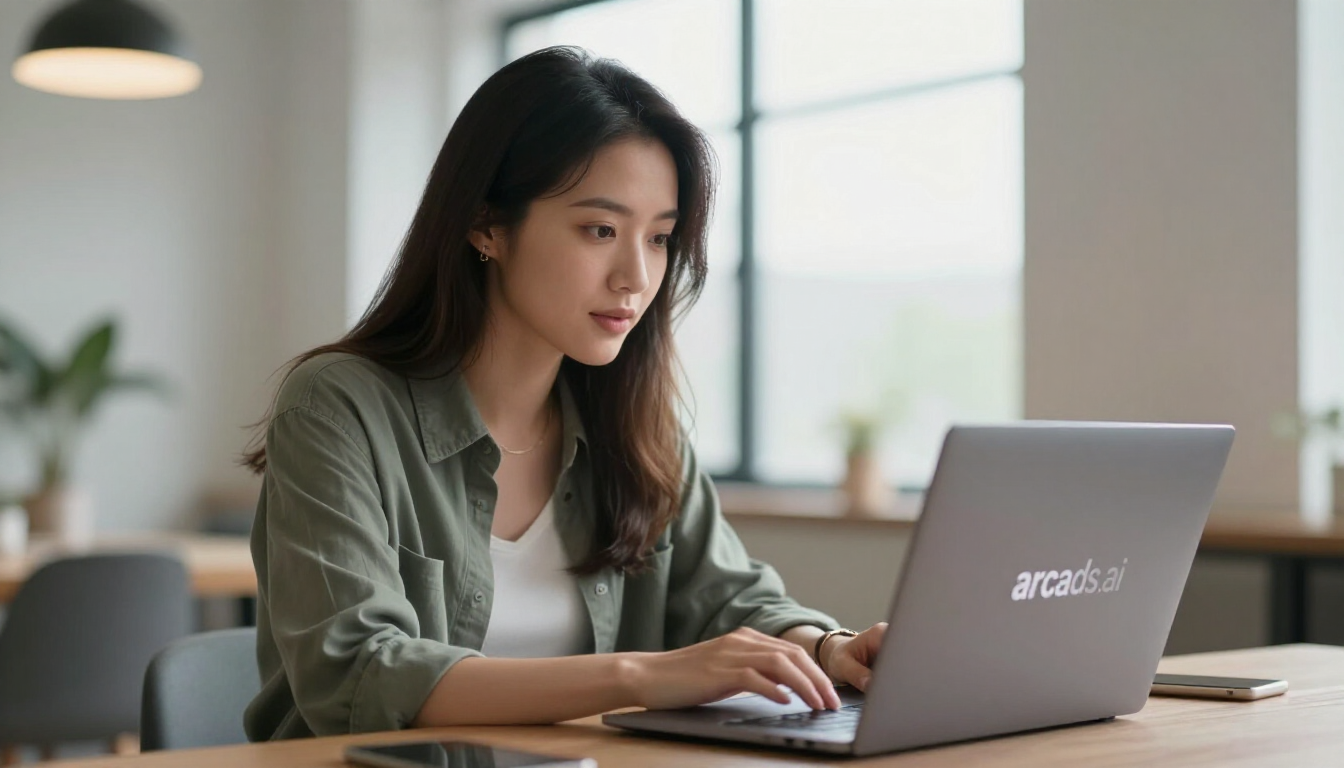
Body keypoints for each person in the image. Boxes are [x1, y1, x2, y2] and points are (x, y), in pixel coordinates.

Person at [239, 46, 887, 740]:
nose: (636, 276)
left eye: (661, 238)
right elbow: (359, 672)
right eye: (600, 229)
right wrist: (641, 675)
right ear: (486, 224)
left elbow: (727, 599)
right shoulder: (338, 408)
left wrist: (827, 647)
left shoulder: (637, 425)